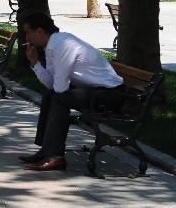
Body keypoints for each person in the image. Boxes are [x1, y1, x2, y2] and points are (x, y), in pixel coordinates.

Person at [18, 12, 125, 172]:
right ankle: (47, 150)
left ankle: (56, 156)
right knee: (51, 96)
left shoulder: (62, 45)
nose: (26, 38)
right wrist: (35, 63)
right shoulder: (53, 45)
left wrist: (55, 88)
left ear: (39, 31)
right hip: (95, 91)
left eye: (28, 32)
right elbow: (51, 85)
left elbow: (60, 88)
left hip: (111, 95)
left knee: (59, 98)